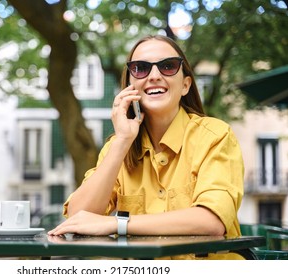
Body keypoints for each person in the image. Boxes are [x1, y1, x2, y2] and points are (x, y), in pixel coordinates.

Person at [48, 35, 244, 259]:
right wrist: (122, 141)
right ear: (130, 87)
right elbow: (79, 217)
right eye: (140, 68)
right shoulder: (118, 146)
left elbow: (212, 221)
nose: (154, 76)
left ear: (185, 85)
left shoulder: (216, 136)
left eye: (168, 66)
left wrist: (117, 224)